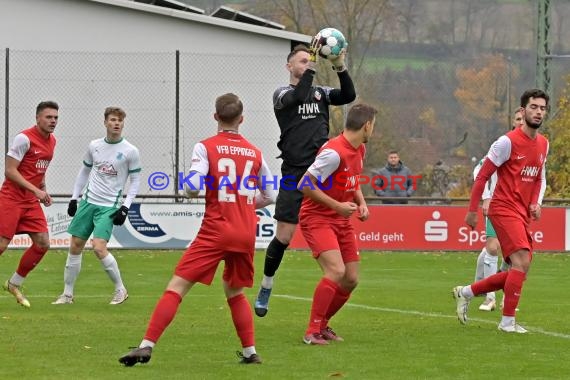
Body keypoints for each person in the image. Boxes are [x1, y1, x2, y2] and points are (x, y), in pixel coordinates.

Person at [119, 93, 277, 366]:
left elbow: (193, 184)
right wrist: (246, 206)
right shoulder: (255, 153)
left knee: (177, 287)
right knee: (235, 292)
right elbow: (271, 195)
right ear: (242, 119)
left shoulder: (206, 147)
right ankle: (251, 353)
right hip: (246, 231)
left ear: (216, 117)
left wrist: (191, 187)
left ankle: (146, 346)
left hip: (216, 229)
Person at [254, 42, 356, 317]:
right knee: (284, 237)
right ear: (289, 66)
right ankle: (266, 284)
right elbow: (298, 97)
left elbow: (349, 94)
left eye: (307, 61)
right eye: (300, 61)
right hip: (293, 174)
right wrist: (313, 62)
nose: (306, 64)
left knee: (332, 229)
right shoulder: (282, 94)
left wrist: (339, 65)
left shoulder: (321, 93)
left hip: (321, 176)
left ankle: (332, 288)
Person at [453, 89, 549, 333]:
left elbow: (538, 177)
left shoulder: (543, 144)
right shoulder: (507, 142)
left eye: (542, 108)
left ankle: (466, 292)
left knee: (520, 268)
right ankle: (507, 322)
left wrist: (536, 202)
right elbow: (482, 175)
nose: (538, 112)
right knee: (521, 261)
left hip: (521, 212)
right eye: (533, 107)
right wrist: (473, 210)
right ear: (523, 110)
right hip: (502, 208)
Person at [298, 103, 376, 344]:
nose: (373, 130)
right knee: (336, 271)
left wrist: (361, 203)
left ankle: (322, 325)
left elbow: (352, 181)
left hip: (339, 219)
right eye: (374, 126)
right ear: (367, 125)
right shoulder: (333, 152)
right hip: (317, 217)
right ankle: (311, 332)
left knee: (351, 278)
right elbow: (304, 184)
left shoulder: (359, 149)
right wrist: (337, 206)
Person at [52, 107, 141, 305]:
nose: (117, 123)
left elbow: (135, 181)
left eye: (120, 120)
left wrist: (125, 207)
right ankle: (67, 295)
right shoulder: (94, 146)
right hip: (88, 202)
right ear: (105, 122)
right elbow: (84, 172)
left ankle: (120, 290)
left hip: (109, 206)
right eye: (113, 120)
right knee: (75, 246)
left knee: (99, 247)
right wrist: (74, 198)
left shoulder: (130, 151)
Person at [0, 101, 59, 308]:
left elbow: (38, 170)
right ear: (37, 118)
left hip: (30, 201)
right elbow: (10, 170)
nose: (53, 121)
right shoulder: (23, 138)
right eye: (49, 117)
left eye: (55, 118)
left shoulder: (52, 142)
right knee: (1, 245)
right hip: (11, 199)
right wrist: (36, 191)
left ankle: (14, 283)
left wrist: (43, 188)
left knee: (43, 243)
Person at [473, 108, 526, 313]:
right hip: (498, 204)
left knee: (513, 256)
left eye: (523, 119)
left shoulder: (536, 146)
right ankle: (489, 297)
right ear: (513, 122)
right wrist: (486, 196)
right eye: (518, 119)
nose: (521, 122)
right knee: (493, 247)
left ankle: (496, 290)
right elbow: (480, 169)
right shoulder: (504, 144)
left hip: (519, 208)